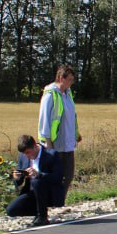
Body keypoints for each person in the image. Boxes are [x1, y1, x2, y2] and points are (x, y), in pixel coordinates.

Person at [38, 64, 80, 199]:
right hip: (55, 143)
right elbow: (45, 118)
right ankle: (53, 201)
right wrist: (48, 141)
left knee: (68, 174)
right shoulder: (50, 95)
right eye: (70, 80)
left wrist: (75, 136)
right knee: (56, 174)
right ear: (61, 78)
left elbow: (72, 116)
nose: (72, 83)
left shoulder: (68, 94)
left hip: (68, 141)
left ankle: (60, 200)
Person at [6, 134, 64, 227]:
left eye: (28, 152)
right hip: (32, 193)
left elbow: (58, 177)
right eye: (24, 153)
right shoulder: (23, 156)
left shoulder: (51, 154)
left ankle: (42, 216)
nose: (27, 155)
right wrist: (17, 178)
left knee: (36, 181)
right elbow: (19, 182)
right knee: (11, 210)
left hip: (49, 192)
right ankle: (39, 212)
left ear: (35, 146)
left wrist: (39, 174)